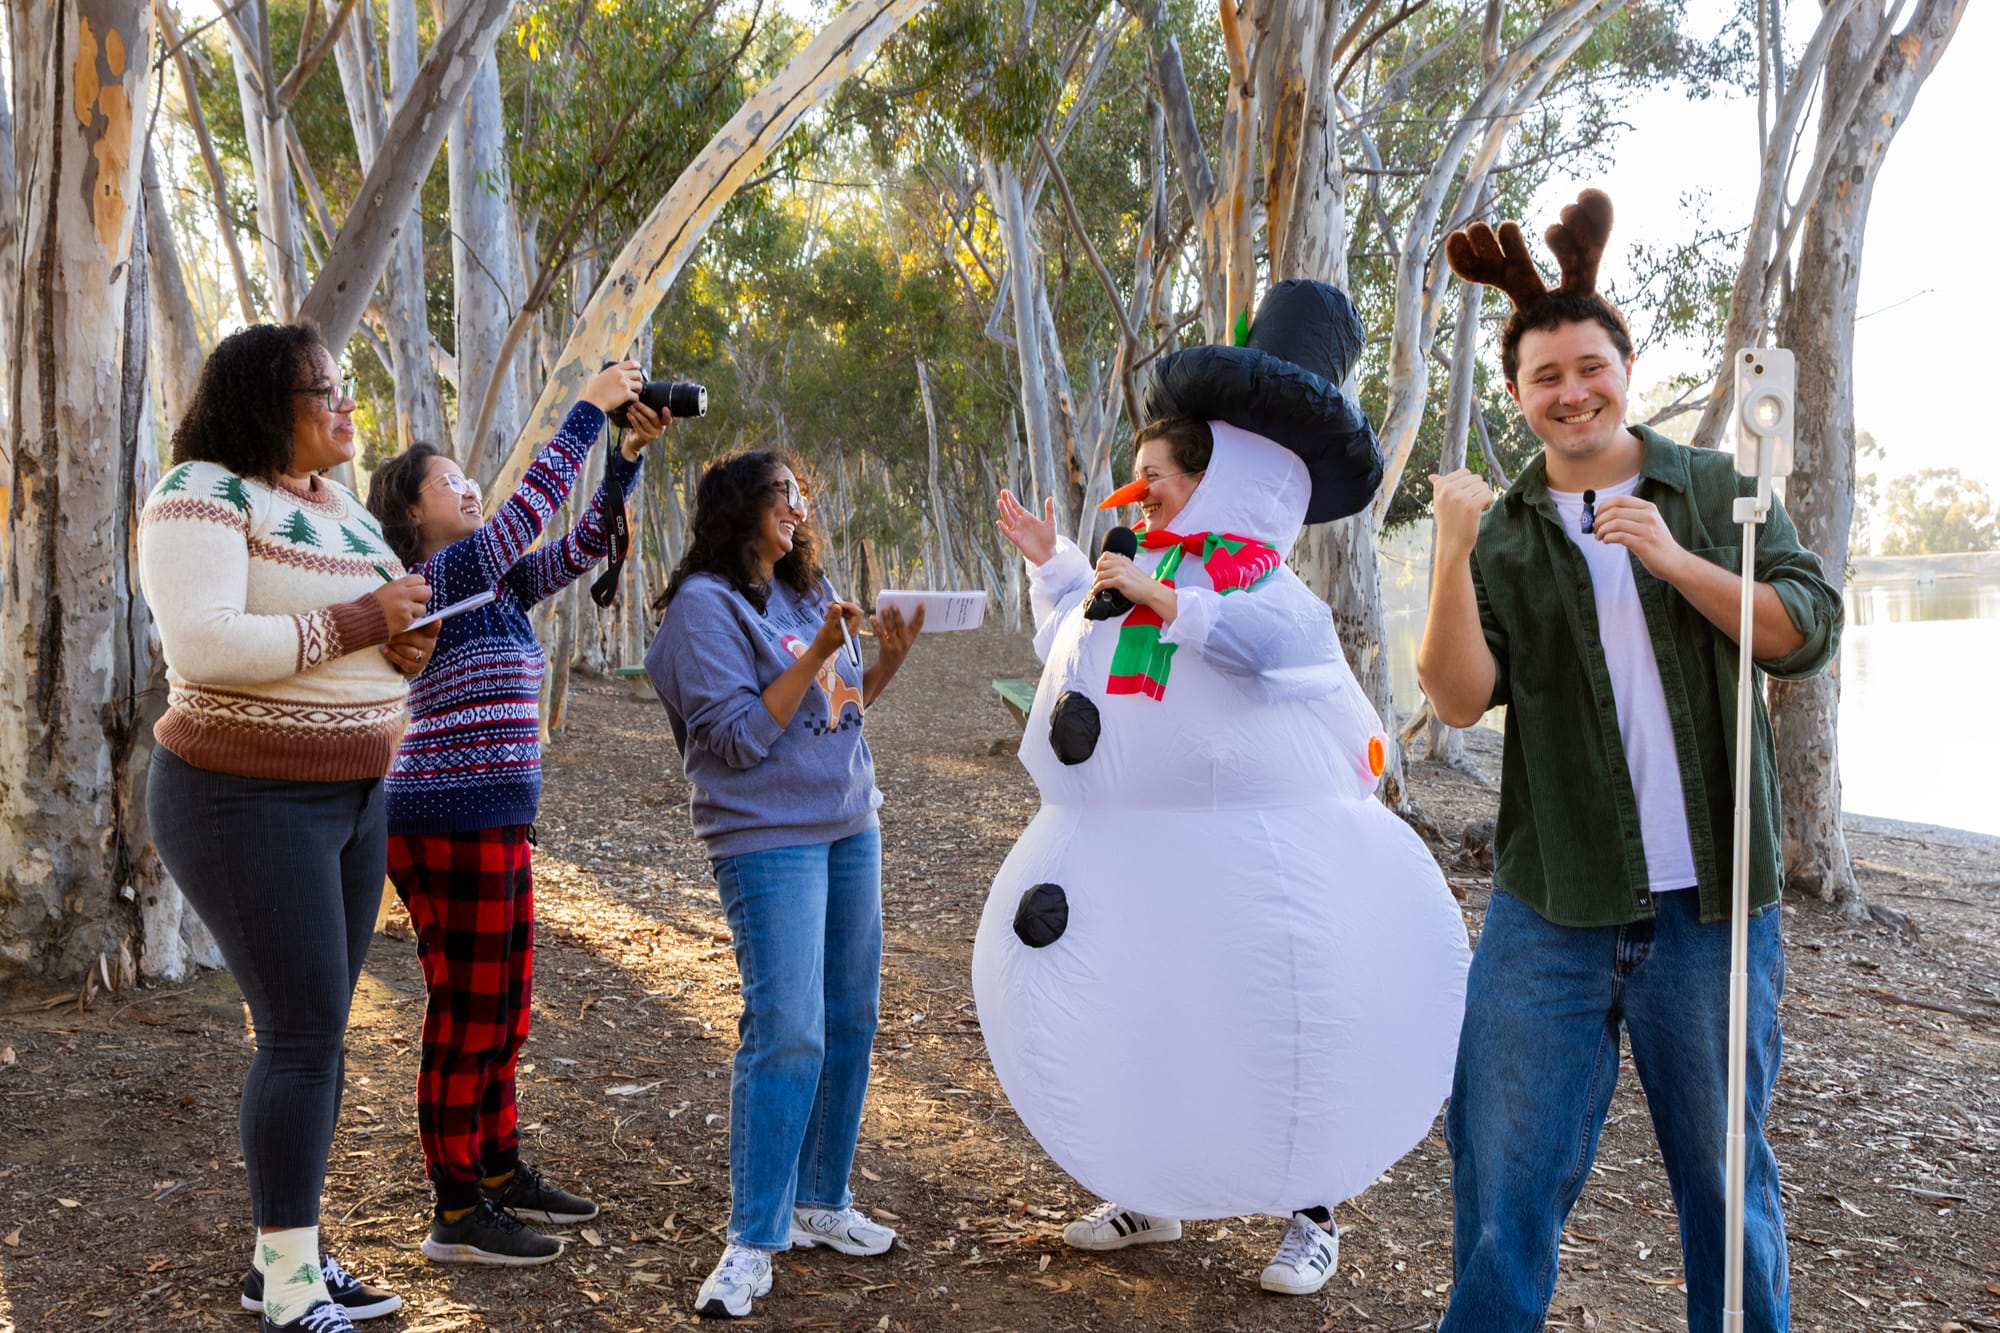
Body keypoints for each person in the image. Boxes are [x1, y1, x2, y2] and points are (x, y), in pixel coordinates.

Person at [982, 281, 1465, 1303]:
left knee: (1289, 1011)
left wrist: (1176, 599)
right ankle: (1142, 1181)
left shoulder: (1259, 585)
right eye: (1135, 476)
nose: (1136, 492)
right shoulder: (1145, 572)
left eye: (1153, 476)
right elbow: (1077, 647)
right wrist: (1058, 567)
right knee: (1155, 1005)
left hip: (1269, 868)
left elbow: (1275, 651)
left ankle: (1312, 1207)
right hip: (1141, 873)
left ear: (1213, 477)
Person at [1418, 189, 1842, 1333]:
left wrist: (1673, 561)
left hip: (1711, 911)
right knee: (1502, 1176)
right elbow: (1456, 694)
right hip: (1550, 905)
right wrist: (1449, 554)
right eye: (1544, 376)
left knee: (1721, 1185)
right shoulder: (1499, 529)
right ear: (1517, 395)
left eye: (1588, 366)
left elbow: (1806, 630)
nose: (1571, 391)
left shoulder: (1710, 491)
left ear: (1624, 365)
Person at [140, 322, 439, 1332]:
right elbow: (208, 644)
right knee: (303, 1034)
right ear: (269, 401)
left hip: (355, 797)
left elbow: (357, 626)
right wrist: (367, 625)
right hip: (241, 798)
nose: (345, 404)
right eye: (323, 389)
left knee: (316, 1031)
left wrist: (403, 648)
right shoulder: (201, 494)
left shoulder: (343, 510)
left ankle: (289, 1257)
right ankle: (288, 1286)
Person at [364, 361, 664, 1265]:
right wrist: (585, 410)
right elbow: (527, 516)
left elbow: (578, 550)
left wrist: (622, 464)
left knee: (504, 1013)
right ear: (415, 516)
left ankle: (496, 1168)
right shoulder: (438, 576)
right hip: (444, 818)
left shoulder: (490, 586)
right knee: (469, 1014)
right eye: (449, 480)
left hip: (490, 818)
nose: (468, 486)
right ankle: (456, 1208)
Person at [643, 451, 924, 1319]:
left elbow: (838, 711)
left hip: (849, 821)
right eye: (782, 497)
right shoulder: (703, 609)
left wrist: (887, 662)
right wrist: (819, 654)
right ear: (739, 509)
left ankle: (821, 1201)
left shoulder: (809, 592)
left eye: (801, 497)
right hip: (767, 838)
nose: (797, 511)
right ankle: (752, 1237)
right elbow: (734, 739)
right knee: (787, 1030)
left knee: (848, 1019)